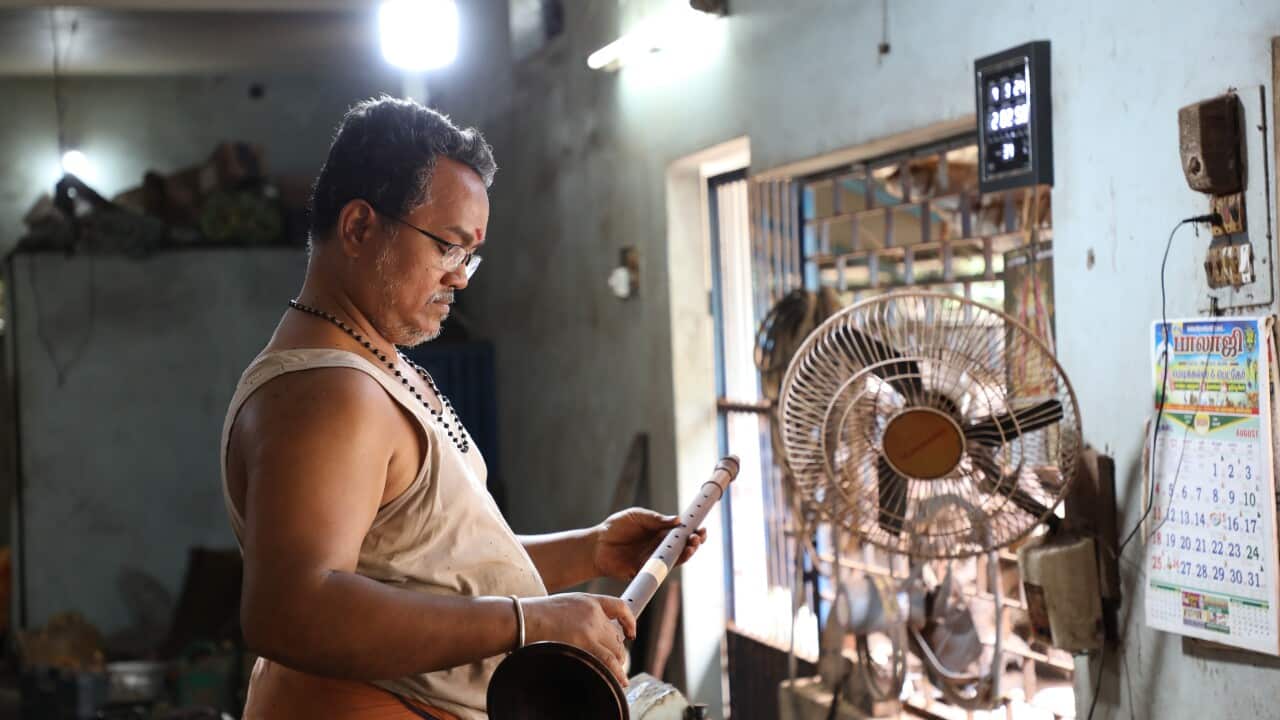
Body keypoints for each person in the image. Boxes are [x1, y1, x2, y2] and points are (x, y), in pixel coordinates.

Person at [219, 96, 706, 720]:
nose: (462, 277)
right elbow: (293, 610)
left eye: (470, 254)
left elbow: (434, 570)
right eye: (448, 247)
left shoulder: (373, 366)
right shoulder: (327, 394)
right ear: (360, 227)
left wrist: (590, 551)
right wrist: (529, 621)